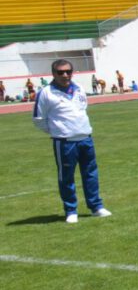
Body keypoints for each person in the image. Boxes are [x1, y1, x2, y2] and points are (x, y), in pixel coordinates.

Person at [32, 59, 112, 223]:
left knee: (91, 173)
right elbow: (39, 119)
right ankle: (71, 210)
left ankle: (96, 206)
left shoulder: (79, 88)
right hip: (65, 142)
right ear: (53, 73)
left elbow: (83, 109)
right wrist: (58, 131)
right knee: (66, 177)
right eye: (60, 72)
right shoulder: (46, 93)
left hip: (85, 138)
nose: (65, 75)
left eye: (68, 71)